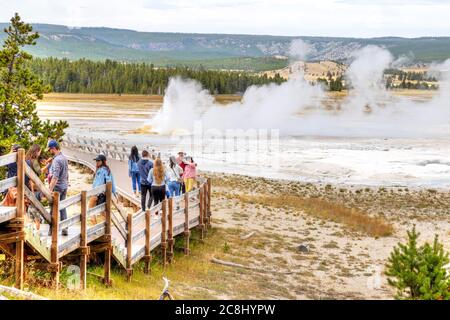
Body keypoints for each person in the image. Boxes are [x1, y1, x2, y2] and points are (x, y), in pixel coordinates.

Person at [47, 140, 69, 236]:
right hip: (64, 186)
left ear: (53, 148)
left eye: (50, 149)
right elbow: (67, 174)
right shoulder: (64, 158)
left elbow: (55, 177)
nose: (49, 151)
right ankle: (65, 228)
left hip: (57, 188)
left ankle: (52, 230)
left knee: (53, 209)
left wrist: (49, 190)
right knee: (62, 207)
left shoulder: (57, 160)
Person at [89, 154, 116, 224]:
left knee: (91, 210)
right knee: (102, 212)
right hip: (98, 193)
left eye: (98, 161)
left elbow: (109, 181)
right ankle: (108, 225)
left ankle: (96, 228)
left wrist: (112, 192)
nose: (97, 162)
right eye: (96, 161)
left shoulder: (103, 170)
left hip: (98, 193)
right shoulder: (105, 170)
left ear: (103, 161)